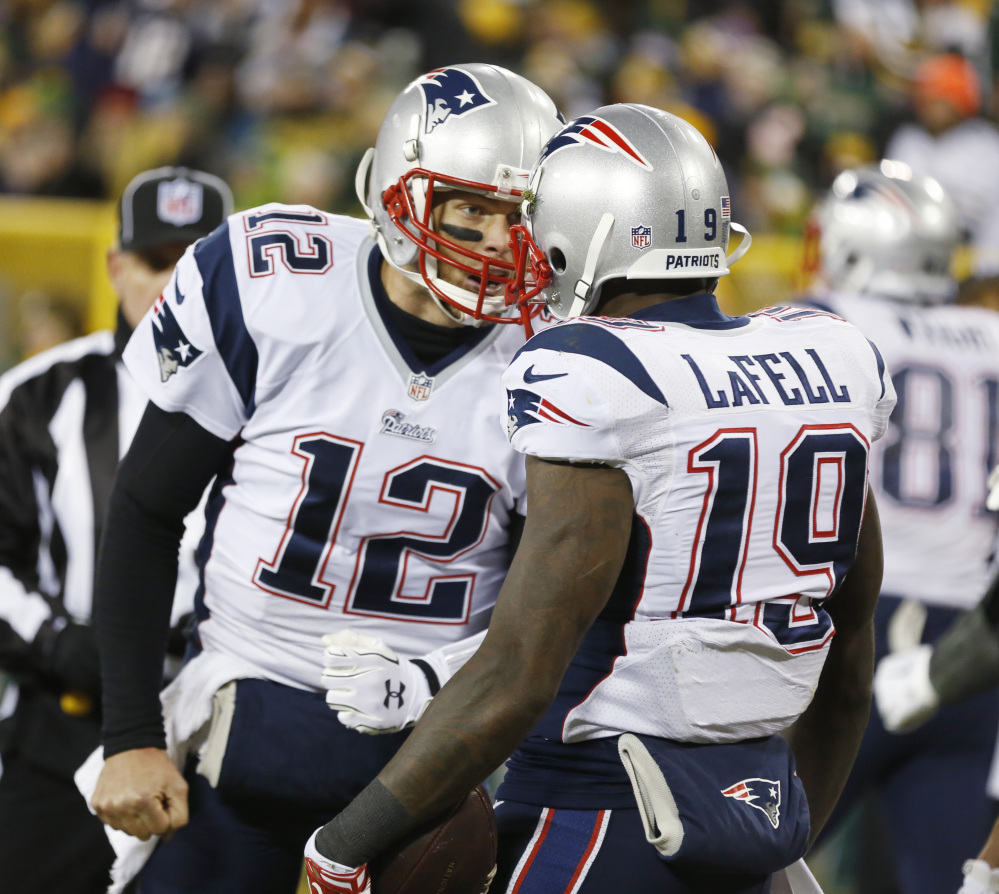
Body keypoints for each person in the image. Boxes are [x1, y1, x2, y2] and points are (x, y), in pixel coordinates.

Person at [302, 103, 892, 894]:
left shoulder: (591, 370)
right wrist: (784, 837)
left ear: (588, 230)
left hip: (594, 821)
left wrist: (343, 843)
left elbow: (521, 669)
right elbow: (849, 658)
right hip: (758, 826)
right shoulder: (830, 355)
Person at [87, 64, 563, 894]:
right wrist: (130, 732)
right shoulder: (270, 280)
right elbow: (144, 509)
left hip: (430, 769)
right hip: (240, 737)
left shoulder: (561, 357)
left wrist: (433, 682)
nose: (497, 241)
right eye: (473, 210)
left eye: (520, 215)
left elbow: (553, 608)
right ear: (395, 195)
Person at [0, 165, 231, 894]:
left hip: (221, 731)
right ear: (115, 266)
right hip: (67, 724)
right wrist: (56, 640)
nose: (174, 282)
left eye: (197, 260)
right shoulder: (36, 395)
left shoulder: (284, 401)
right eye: (158, 260)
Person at [799, 161, 999, 894]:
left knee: (740, 863)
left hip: (850, 630)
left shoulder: (820, 325)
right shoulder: (991, 334)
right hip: (978, 649)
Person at [885, 53, 999, 275]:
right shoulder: (907, 140)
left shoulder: (987, 147)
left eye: (944, 98)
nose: (934, 106)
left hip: (975, 264)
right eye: (929, 97)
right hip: (908, 262)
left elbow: (980, 220)